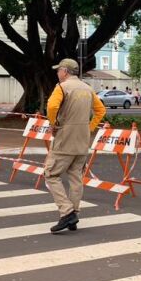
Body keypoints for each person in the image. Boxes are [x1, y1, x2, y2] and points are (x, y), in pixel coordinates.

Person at [45, 58, 106, 233]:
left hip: (65, 138)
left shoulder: (62, 87)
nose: (57, 73)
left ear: (65, 71)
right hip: (83, 139)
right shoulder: (87, 89)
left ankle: (67, 212)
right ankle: (74, 214)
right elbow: (101, 110)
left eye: (58, 70)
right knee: (75, 177)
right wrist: (90, 127)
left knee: (51, 174)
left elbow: (51, 105)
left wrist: (53, 123)